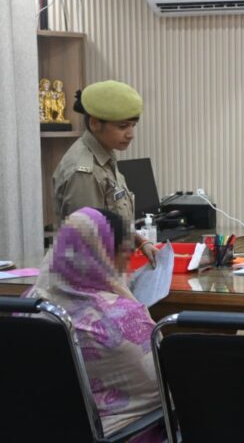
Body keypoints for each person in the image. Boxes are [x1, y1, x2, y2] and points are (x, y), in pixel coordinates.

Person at [21, 207, 164, 441]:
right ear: (106, 256)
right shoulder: (127, 320)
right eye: (124, 253)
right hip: (119, 434)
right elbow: (164, 385)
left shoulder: (29, 305)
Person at [52, 80, 156, 265]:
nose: (130, 134)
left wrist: (141, 242)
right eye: (122, 126)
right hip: (90, 275)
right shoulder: (85, 172)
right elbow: (87, 242)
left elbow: (112, 220)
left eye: (133, 126)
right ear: (94, 123)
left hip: (109, 269)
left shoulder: (105, 157)